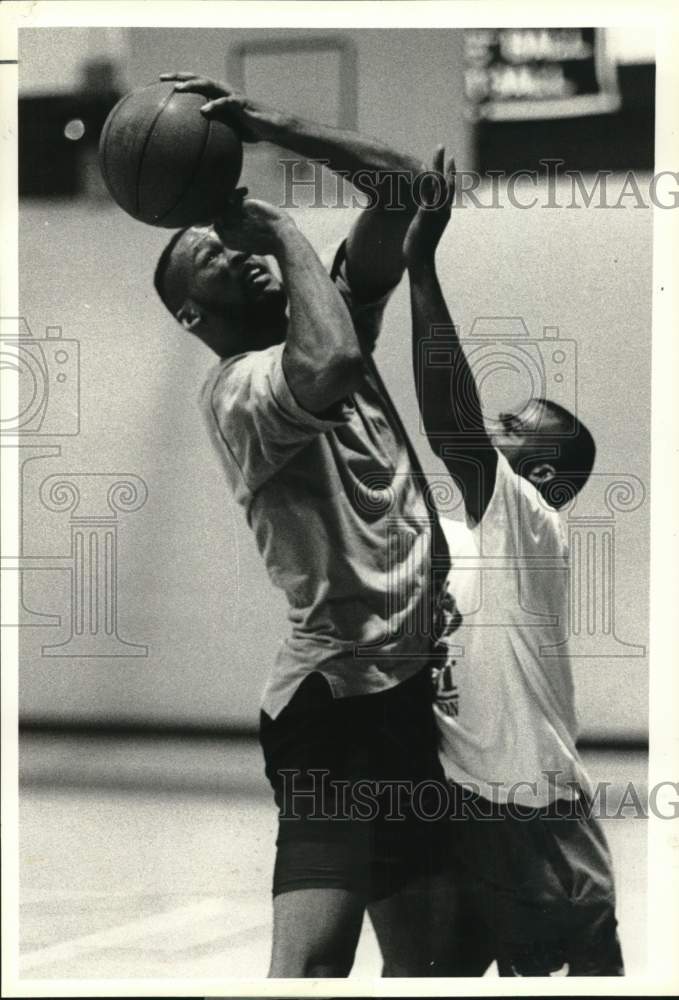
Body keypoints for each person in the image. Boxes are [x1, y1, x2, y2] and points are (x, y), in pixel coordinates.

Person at [152, 73, 456, 978]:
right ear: (191, 312)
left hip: (401, 696)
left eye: (225, 231)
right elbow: (331, 364)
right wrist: (282, 231)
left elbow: (408, 188)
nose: (225, 239)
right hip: (333, 711)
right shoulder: (240, 389)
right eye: (205, 251)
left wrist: (262, 123)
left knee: (440, 961)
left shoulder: (324, 309)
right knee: (310, 968)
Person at [402, 147, 624, 976]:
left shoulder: (528, 521)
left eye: (511, 426)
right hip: (463, 807)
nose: (492, 429)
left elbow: (448, 419)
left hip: (533, 812)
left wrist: (420, 266)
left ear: (536, 473)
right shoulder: (463, 539)